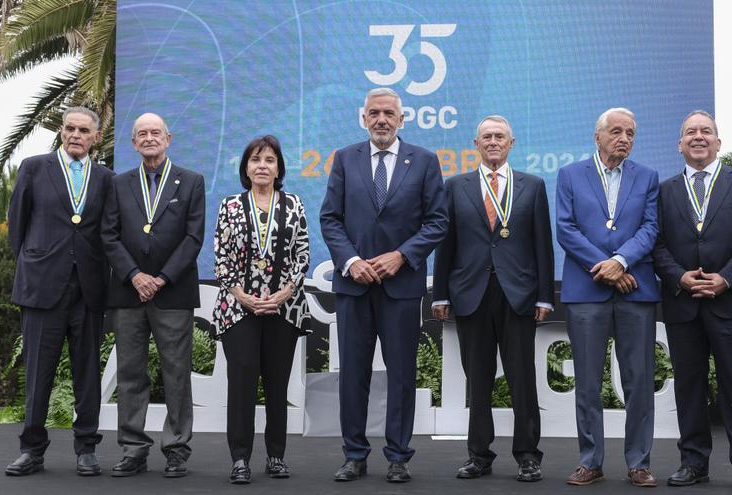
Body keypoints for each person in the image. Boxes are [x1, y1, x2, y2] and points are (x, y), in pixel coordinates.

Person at [319, 87, 447, 483]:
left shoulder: (424, 161)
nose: (381, 120)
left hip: (401, 288)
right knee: (353, 375)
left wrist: (401, 256)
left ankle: (398, 456)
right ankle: (354, 455)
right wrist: (352, 261)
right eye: (374, 113)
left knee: (402, 376)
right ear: (363, 118)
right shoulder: (344, 159)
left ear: (401, 119)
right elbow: (330, 219)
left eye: (389, 113)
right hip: (354, 287)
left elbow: (437, 222)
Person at [653, 110, 732, 493]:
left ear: (718, 142)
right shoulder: (665, 190)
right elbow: (658, 246)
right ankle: (693, 463)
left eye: (706, 131)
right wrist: (679, 277)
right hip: (683, 304)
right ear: (680, 144)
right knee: (689, 388)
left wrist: (725, 279)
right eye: (690, 132)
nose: (698, 137)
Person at [432, 115, 554, 482]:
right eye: (487, 137)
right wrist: (440, 294)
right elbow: (446, 244)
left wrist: (545, 297)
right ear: (476, 144)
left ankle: (528, 455)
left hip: (518, 294)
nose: (493, 142)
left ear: (511, 143)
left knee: (522, 378)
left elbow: (542, 247)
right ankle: (479, 455)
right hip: (470, 294)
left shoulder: (532, 186)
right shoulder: (455, 186)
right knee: (479, 380)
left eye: (500, 136)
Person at [6, 107, 114, 476]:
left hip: (88, 288)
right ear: (61, 131)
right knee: (38, 373)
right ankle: (31, 449)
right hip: (41, 288)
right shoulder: (34, 167)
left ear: (95, 137)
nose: (75, 135)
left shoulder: (106, 178)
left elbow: (107, 233)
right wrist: (34, 267)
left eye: (84, 130)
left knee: (87, 374)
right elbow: (17, 229)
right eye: (69, 128)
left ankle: (86, 448)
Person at [555, 108, 660, 487]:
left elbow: (651, 227)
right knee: (586, 382)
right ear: (597, 136)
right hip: (587, 290)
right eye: (616, 132)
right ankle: (590, 461)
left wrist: (621, 260)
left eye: (630, 133)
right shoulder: (570, 175)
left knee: (639, 381)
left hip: (636, 289)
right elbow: (565, 229)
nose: (624, 139)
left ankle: (639, 463)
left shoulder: (647, 177)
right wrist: (606, 267)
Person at [101, 113, 205, 478]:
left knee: (176, 373)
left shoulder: (191, 181)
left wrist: (160, 278)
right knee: (130, 374)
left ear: (168, 138)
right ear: (133, 143)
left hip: (172, 292)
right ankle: (133, 448)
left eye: (155, 132)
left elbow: (193, 238)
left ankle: (176, 448)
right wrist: (134, 275)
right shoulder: (118, 183)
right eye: (141, 134)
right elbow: (108, 235)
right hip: (128, 293)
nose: (149, 138)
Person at [213, 135, 311, 484]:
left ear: (279, 167)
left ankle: (276, 456)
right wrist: (242, 295)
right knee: (241, 384)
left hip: (283, 309)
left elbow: (303, 255)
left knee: (276, 385)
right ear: (246, 167)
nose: (262, 166)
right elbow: (221, 258)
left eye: (269, 160)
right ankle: (240, 459)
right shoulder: (230, 206)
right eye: (255, 160)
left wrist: (283, 294)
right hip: (239, 309)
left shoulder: (294, 204)